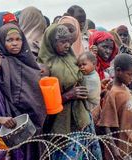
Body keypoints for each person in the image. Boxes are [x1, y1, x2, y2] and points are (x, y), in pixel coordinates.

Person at [38, 24, 102, 159]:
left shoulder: (72, 58)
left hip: (82, 119)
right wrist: (68, 95)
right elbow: (43, 103)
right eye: (62, 42)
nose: (67, 45)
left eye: (69, 41)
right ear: (51, 41)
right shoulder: (44, 66)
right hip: (62, 124)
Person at [0, 23, 47, 159]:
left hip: (35, 120)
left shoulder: (29, 61)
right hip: (16, 123)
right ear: (1, 41)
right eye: (9, 40)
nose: (15, 44)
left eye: (18, 39)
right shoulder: (1, 63)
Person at [93, 54, 132, 160]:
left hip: (131, 144)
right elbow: (106, 125)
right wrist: (114, 150)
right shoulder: (112, 93)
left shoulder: (124, 88)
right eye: (129, 74)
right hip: (121, 150)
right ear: (118, 71)